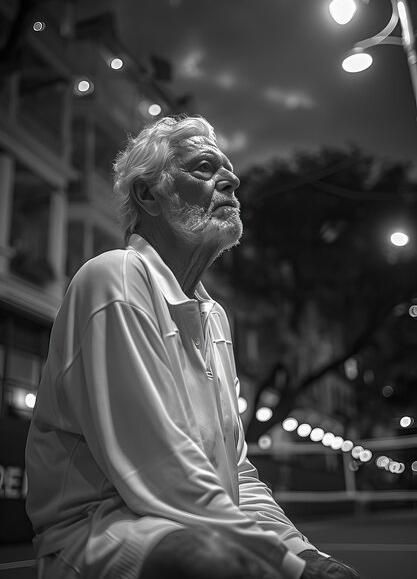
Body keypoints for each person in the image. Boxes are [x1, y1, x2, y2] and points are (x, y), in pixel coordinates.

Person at [25, 115, 362, 579]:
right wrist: (287, 565)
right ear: (148, 195)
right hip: (101, 532)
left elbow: (238, 474)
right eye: (205, 167)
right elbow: (159, 471)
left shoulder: (214, 317)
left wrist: (304, 553)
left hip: (188, 523)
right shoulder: (115, 276)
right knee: (221, 564)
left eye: (228, 169)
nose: (232, 179)